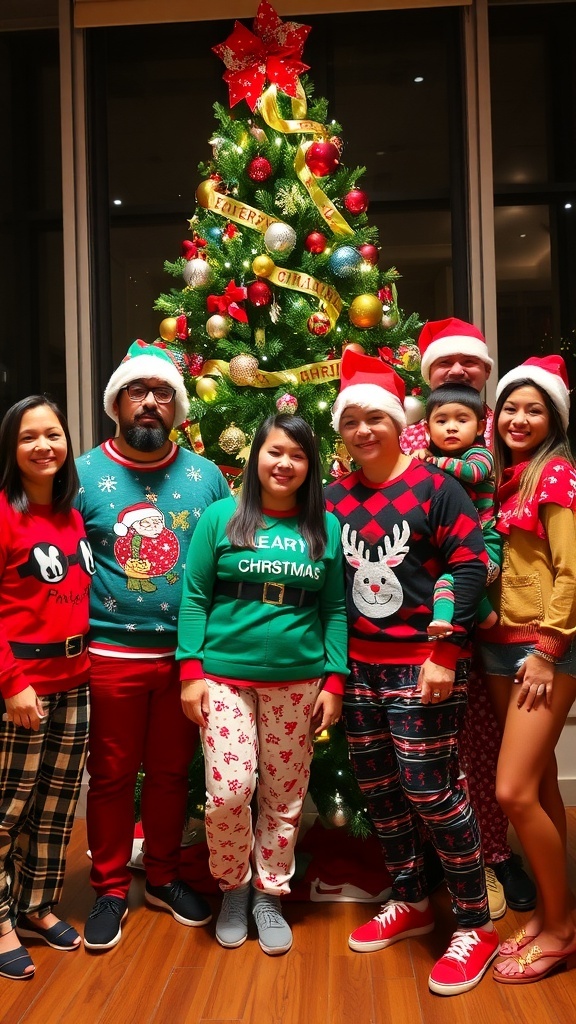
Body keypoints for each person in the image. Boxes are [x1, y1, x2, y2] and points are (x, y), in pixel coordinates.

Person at [325, 349, 498, 997]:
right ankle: (412, 899)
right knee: (382, 794)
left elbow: (468, 566)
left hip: (423, 668)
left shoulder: (437, 486)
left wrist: (446, 651)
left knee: (432, 792)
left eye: (376, 418)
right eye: (351, 422)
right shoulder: (334, 498)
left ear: (400, 423)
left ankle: (475, 925)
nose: (364, 430)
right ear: (340, 431)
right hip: (359, 671)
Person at [76, 340, 229, 951]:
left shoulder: (206, 476)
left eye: (162, 393)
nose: (149, 403)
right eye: (138, 392)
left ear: (178, 408)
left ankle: (162, 875)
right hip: (109, 655)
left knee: (170, 773)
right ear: (117, 402)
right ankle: (111, 888)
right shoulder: (82, 474)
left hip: (185, 660)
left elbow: (226, 558)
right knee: (111, 776)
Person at [177, 414, 348, 956]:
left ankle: (270, 894)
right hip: (224, 678)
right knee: (230, 791)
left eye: (297, 455)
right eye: (275, 452)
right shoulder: (220, 519)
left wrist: (335, 681)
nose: (284, 464)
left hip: (298, 683)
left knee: (285, 793)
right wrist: (190, 673)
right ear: (256, 457)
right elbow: (196, 598)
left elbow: (335, 608)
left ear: (309, 466)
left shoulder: (325, 525)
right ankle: (234, 888)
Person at [401, 317, 536, 920]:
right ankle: (442, 853)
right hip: (423, 619)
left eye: (470, 365)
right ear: (427, 384)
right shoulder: (407, 440)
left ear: (486, 375)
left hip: (498, 622)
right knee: (432, 744)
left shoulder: (503, 440)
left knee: (487, 744)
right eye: (445, 366)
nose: (458, 372)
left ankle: (493, 854)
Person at [477, 355, 576, 984]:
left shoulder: (557, 475)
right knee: (539, 789)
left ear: (554, 420)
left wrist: (549, 647)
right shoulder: (501, 480)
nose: (518, 418)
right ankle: (549, 911)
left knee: (512, 791)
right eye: (510, 406)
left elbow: (571, 571)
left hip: (543, 650)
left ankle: (563, 931)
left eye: (533, 409)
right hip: (496, 645)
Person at [0, 396, 93, 981]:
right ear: (11, 448)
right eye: (30, 437)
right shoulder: (4, 514)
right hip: (23, 686)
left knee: (55, 807)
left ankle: (34, 906)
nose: (44, 446)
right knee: (6, 810)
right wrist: (12, 683)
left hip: (76, 682)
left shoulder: (70, 513)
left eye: (53, 434)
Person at [419, 383, 501, 637]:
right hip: (455, 543)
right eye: (441, 420)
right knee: (443, 576)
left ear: (478, 426)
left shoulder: (480, 454)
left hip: (486, 544)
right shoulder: (432, 459)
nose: (451, 427)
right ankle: (485, 615)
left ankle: (443, 624)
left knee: (449, 581)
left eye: (461, 420)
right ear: (427, 429)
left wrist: (433, 461)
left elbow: (473, 473)